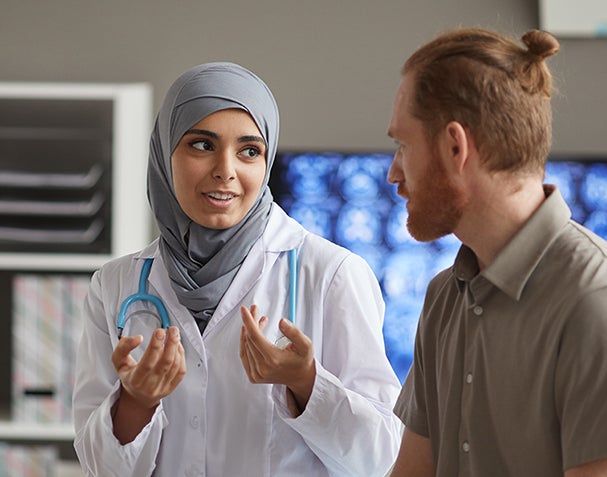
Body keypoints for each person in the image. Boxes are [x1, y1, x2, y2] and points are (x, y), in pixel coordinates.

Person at [72, 62, 403, 477]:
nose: (226, 170)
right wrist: (136, 403)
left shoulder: (332, 273)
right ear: (164, 152)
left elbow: (383, 459)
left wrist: (307, 383)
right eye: (202, 145)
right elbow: (99, 468)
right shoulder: (116, 285)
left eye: (250, 151)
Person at [386, 28, 607, 477]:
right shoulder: (445, 297)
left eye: (403, 146)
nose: (394, 173)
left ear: (454, 147)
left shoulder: (597, 301)